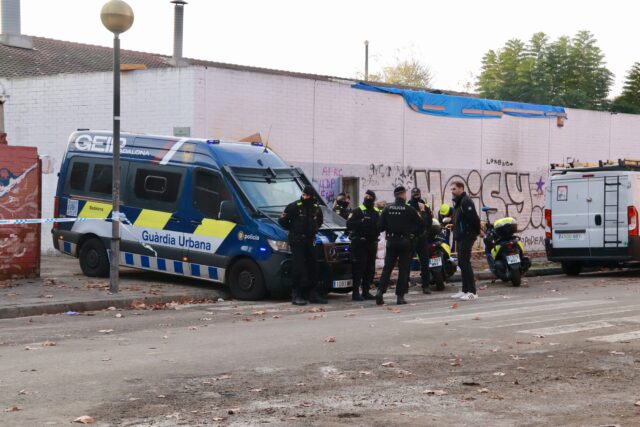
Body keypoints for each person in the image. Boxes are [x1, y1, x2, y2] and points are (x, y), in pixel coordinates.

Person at [279, 185, 328, 306]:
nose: (304, 197)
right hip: (297, 240)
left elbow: (319, 222)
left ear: (312, 196)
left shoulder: (316, 208)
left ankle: (313, 294)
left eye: (307, 195)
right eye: (303, 194)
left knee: (313, 266)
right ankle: (296, 294)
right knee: (298, 267)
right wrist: (294, 229)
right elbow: (282, 220)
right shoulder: (294, 206)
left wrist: (312, 230)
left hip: (310, 240)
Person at [376, 186, 425, 305]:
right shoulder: (409, 209)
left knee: (387, 268)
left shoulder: (387, 209)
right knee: (403, 269)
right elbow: (421, 225)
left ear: (395, 195)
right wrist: (413, 232)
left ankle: (380, 292)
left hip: (391, 242)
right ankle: (400, 297)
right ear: (403, 195)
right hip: (405, 242)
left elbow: (380, 227)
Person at [347, 190, 380, 301]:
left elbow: (380, 225)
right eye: (367, 196)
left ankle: (366, 291)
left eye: (370, 197)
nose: (368, 198)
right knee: (359, 268)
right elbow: (349, 224)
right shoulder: (357, 211)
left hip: (372, 243)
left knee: (370, 269)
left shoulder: (376, 211)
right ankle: (356, 292)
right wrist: (361, 221)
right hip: (360, 243)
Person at [450, 181, 481, 301]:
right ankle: (465, 290)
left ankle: (472, 292)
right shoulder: (458, 202)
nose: (452, 191)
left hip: (467, 236)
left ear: (461, 188)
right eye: (451, 189)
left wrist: (478, 231)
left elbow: (474, 218)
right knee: (462, 263)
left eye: (454, 189)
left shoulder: (466, 201)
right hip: (460, 236)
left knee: (465, 263)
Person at [408, 188, 433, 295]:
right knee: (407, 262)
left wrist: (426, 232)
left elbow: (429, 221)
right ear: (411, 194)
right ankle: (405, 284)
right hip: (411, 237)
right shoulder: (408, 206)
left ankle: (426, 286)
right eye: (414, 194)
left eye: (417, 194)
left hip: (422, 238)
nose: (416, 195)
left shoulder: (424, 205)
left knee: (425, 263)